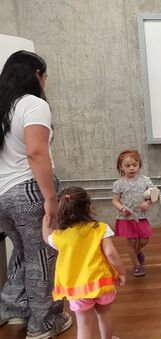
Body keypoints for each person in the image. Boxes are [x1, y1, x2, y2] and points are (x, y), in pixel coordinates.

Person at [0, 50, 73, 337]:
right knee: (43, 256)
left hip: (2, 195)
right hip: (29, 191)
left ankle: (14, 309)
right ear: (36, 75)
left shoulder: (3, 106)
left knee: (24, 253)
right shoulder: (33, 104)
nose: (45, 81)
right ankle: (43, 324)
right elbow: (36, 151)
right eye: (44, 76)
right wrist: (51, 199)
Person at [42, 186, 126, 339]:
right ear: (89, 206)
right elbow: (110, 253)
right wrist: (121, 272)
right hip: (102, 282)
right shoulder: (100, 228)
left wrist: (47, 216)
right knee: (104, 313)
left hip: (77, 288)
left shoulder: (60, 236)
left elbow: (46, 237)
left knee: (84, 323)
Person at [112, 149, 155, 277]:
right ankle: (136, 265)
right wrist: (121, 209)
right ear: (121, 167)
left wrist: (148, 203)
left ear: (139, 165)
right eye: (127, 166)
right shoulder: (119, 183)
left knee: (144, 239)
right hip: (126, 218)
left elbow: (154, 194)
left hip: (141, 217)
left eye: (134, 165)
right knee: (130, 241)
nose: (131, 168)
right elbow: (115, 200)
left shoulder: (146, 180)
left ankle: (137, 251)